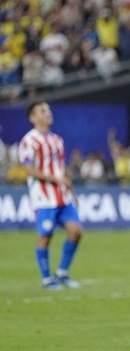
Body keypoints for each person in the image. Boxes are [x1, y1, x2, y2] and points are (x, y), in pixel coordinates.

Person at [18, 101, 83, 290]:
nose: (47, 113)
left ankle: (62, 272)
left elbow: (61, 168)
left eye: (47, 110)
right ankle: (47, 278)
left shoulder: (57, 140)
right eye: (42, 111)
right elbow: (30, 170)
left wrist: (70, 189)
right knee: (45, 236)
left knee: (76, 231)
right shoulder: (29, 141)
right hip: (43, 198)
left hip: (62, 195)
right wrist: (55, 179)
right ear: (33, 118)